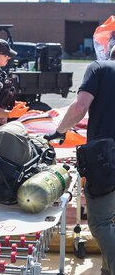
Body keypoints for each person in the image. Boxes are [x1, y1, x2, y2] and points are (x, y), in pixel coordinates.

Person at [44, 45, 115, 275]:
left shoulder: (99, 68)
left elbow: (80, 106)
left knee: (100, 221)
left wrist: (60, 129)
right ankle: (106, 268)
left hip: (106, 159)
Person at [0, 38, 29, 134]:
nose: (9, 58)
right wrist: (10, 114)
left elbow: (0, 97)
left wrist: (14, 104)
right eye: (6, 55)